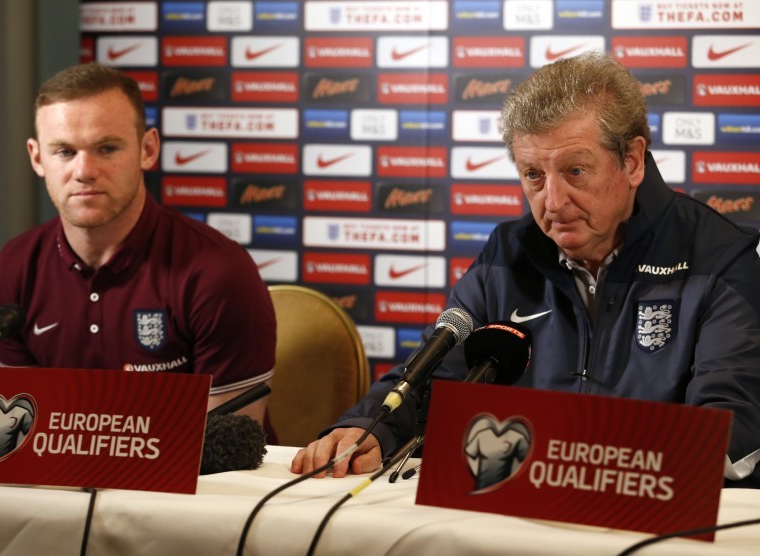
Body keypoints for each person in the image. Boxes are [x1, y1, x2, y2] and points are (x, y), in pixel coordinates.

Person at [292, 51, 760, 487]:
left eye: (576, 171)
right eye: (533, 175)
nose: (552, 203)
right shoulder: (508, 252)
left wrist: (589, 466)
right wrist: (370, 427)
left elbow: (731, 430)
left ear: (632, 161)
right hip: (517, 517)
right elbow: (434, 376)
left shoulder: (719, 258)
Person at [0, 62, 276, 424]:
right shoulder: (11, 271)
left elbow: (230, 446)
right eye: (64, 152)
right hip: (59, 479)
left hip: (197, 479)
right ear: (37, 157)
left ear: (147, 149)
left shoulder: (218, 274)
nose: (84, 171)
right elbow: (16, 432)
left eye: (106, 148)